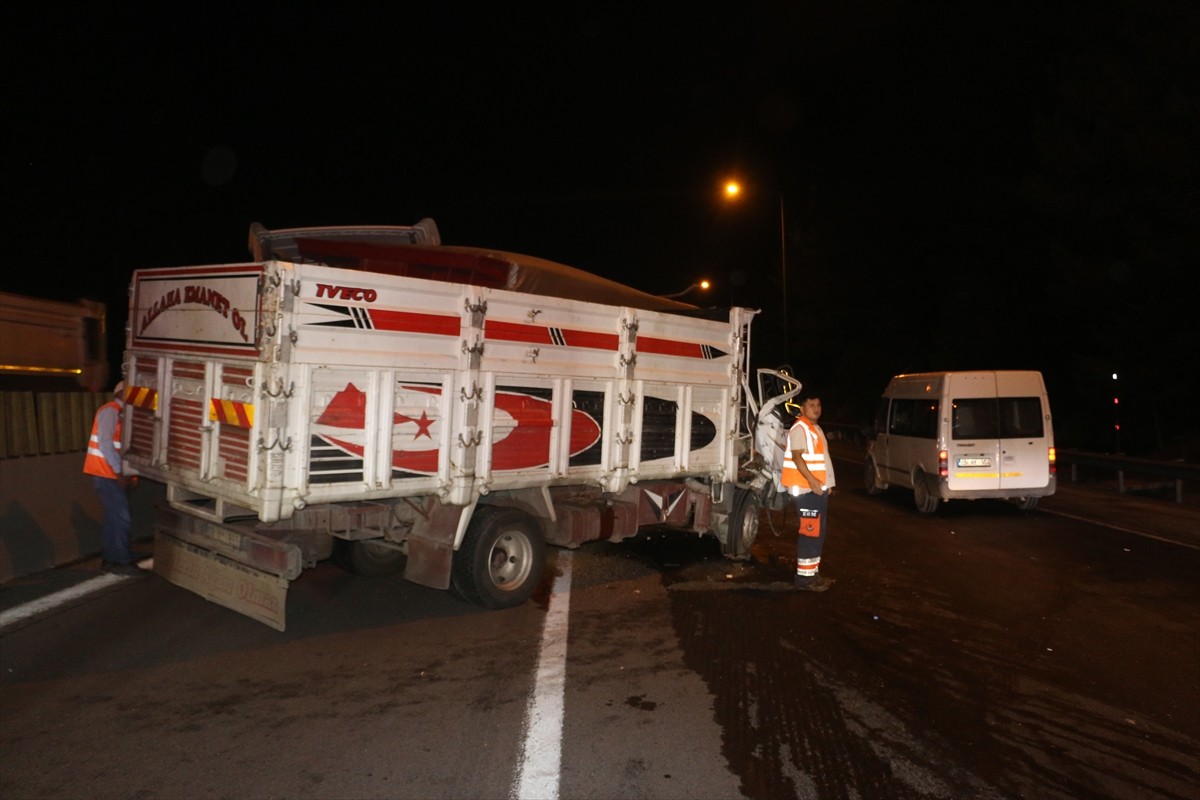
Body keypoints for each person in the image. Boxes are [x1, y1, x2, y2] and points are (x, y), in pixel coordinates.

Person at [83, 381, 148, 575]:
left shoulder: (121, 414)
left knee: (113, 519)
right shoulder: (110, 412)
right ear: (122, 393)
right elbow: (106, 444)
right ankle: (122, 560)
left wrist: (130, 473)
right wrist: (120, 472)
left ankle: (110, 559)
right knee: (121, 518)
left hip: (108, 474)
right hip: (106, 474)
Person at [779, 392, 836, 591]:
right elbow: (797, 457)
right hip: (807, 490)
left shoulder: (815, 429)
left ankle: (812, 572)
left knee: (818, 533)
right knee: (810, 532)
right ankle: (804, 578)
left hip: (817, 490)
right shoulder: (801, 428)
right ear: (802, 409)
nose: (816, 408)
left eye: (818, 403)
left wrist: (826, 484)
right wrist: (812, 481)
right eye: (811, 404)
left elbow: (821, 460)